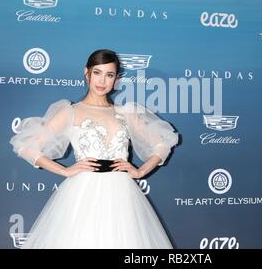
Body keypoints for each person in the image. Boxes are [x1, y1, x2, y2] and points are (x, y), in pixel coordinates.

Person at [10, 49, 178, 249]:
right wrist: (63, 170)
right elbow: (25, 145)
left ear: (116, 79)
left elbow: (164, 141)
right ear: (86, 72)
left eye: (109, 75)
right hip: (81, 194)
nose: (102, 81)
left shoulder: (126, 113)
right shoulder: (70, 111)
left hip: (122, 196)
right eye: (97, 72)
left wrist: (140, 171)